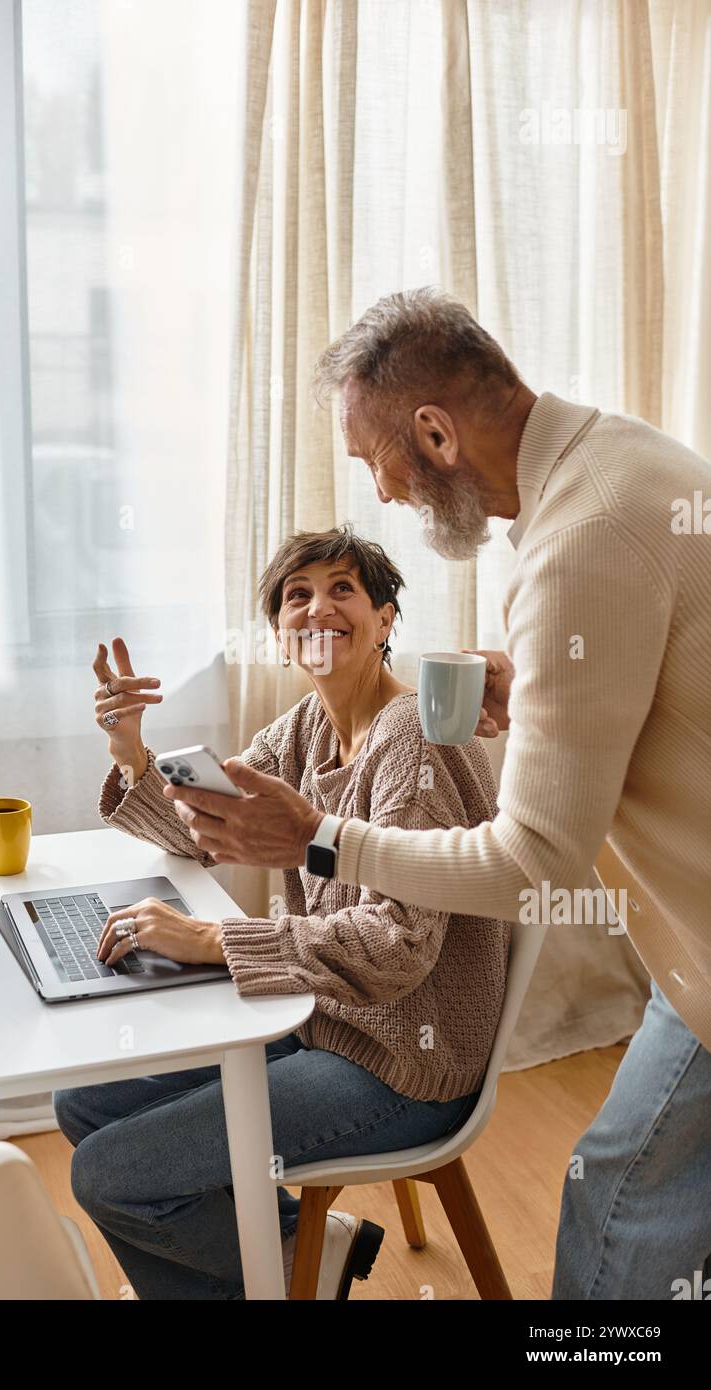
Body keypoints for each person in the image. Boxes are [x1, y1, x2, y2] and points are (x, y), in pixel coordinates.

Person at [161, 288, 711, 1301]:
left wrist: (323, 839)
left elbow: (535, 862)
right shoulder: (618, 465)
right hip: (690, 956)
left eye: (378, 461)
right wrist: (539, 683)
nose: (384, 492)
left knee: (619, 1205)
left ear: (433, 432)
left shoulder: (580, 539)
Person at [53, 524, 510, 1300]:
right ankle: (301, 1248)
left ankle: (285, 1272)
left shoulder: (414, 738)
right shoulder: (300, 730)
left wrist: (210, 940)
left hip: (400, 1064)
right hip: (315, 1021)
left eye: (343, 591)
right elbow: (202, 836)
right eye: (296, 596)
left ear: (386, 620)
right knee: (85, 1104)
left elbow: (397, 945)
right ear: (277, 631)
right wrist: (131, 750)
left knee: (111, 1176)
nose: (317, 609)